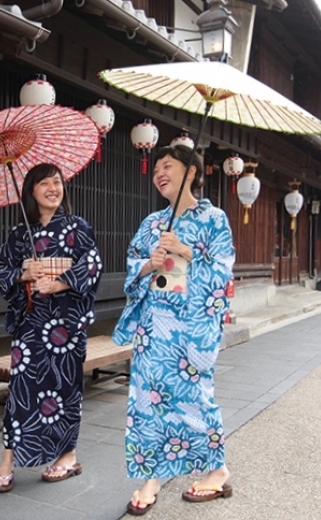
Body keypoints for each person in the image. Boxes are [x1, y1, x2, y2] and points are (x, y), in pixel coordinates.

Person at [112, 145, 235, 515]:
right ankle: (151, 476)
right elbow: (132, 269)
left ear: (192, 172)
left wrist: (185, 250)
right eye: (156, 169)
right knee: (147, 400)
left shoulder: (214, 218)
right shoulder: (152, 222)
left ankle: (217, 471)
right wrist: (149, 264)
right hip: (154, 326)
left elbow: (223, 271)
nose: (159, 173)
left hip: (192, 327)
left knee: (194, 397)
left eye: (169, 166)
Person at [0, 162, 103, 492]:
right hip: (30, 323)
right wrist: (23, 275)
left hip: (66, 325)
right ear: (31, 191)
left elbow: (93, 263)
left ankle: (67, 455)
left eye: (57, 182)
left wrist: (62, 283)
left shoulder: (77, 227)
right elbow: (1, 270)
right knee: (21, 391)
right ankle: (8, 459)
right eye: (44, 184)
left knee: (65, 389)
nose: (53, 188)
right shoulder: (17, 234)